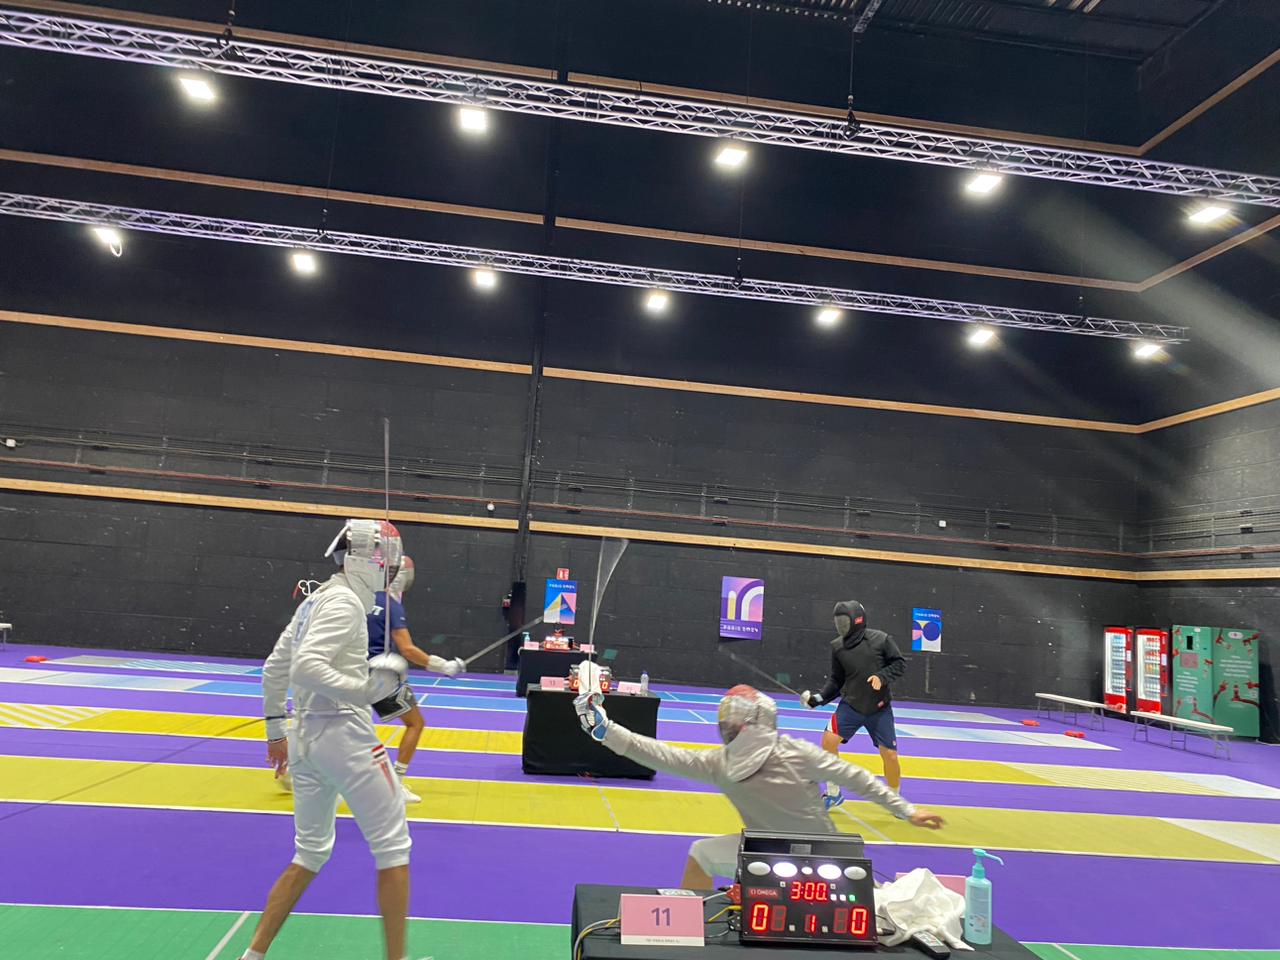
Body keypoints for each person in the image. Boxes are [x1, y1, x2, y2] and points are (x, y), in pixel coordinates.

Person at [242, 518, 415, 960]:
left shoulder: (315, 600)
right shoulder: (343, 604)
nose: (391, 567)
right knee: (393, 848)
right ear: (365, 558)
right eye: (386, 558)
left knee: (310, 853)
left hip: (305, 740)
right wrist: (366, 690)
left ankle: (253, 955)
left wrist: (276, 732)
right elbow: (305, 667)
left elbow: (274, 669)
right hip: (345, 736)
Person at [576, 684, 943, 887]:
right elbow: (660, 755)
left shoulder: (737, 761)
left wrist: (605, 731)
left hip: (809, 856)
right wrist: (906, 810)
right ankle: (690, 936)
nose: (732, 724)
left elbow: (855, 777)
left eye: (737, 719)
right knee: (702, 853)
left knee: (702, 854)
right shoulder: (749, 758)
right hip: (780, 853)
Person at [367, 555, 466, 804]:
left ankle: (301, 769)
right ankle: (394, 785)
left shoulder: (361, 598)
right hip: (379, 677)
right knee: (415, 723)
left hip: (347, 673)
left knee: (342, 728)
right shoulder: (391, 605)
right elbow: (408, 650)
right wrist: (444, 666)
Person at [801, 600, 907, 808]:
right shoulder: (837, 647)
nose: (840, 625)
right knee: (828, 741)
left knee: (890, 756)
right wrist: (818, 699)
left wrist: (882, 677)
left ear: (857, 620)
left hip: (879, 709)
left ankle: (895, 799)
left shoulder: (881, 639)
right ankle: (833, 794)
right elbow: (836, 681)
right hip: (851, 706)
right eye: (838, 621)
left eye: (844, 620)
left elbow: (899, 664)